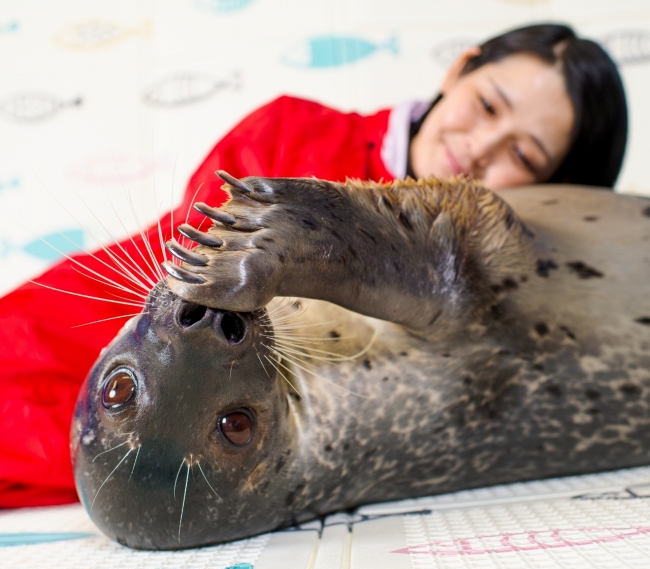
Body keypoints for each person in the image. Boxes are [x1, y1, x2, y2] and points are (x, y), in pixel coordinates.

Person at [0, 23, 627, 508]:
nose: (480, 149)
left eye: (522, 151)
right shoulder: (294, 129)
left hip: (208, 424)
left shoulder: (488, 292)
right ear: (461, 68)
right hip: (96, 329)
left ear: (554, 185)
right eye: (488, 106)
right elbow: (192, 286)